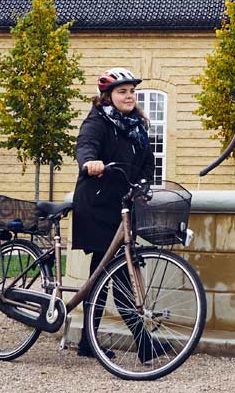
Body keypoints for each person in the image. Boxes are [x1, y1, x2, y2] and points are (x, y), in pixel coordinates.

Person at [72, 67, 158, 360]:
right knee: (110, 273)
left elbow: (148, 162)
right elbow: (85, 145)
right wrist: (90, 162)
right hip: (98, 205)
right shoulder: (97, 121)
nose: (130, 96)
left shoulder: (137, 126)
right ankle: (143, 345)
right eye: (123, 91)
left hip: (123, 207)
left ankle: (89, 342)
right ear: (108, 96)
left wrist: (144, 184)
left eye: (132, 91)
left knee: (114, 272)